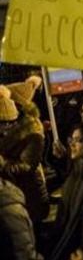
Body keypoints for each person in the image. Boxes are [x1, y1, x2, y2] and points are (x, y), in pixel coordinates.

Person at [0, 84, 49, 223]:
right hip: (10, 193)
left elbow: (27, 166)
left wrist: (2, 163)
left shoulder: (32, 132)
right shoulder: (6, 131)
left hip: (29, 194)